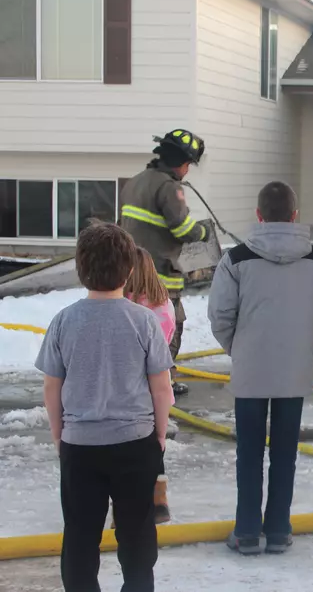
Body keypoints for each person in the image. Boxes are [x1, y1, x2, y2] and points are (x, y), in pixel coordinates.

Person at [207, 181, 313, 555]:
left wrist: (238, 346)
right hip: (294, 370)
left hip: (251, 370)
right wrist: (304, 325)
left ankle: (246, 532)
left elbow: (220, 313)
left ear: (258, 216)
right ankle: (278, 531)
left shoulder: (237, 258)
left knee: (250, 453)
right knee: (285, 452)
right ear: (295, 216)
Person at [36, 222, 174, 592]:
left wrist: (59, 435)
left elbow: (52, 387)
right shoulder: (144, 321)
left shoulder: (64, 321)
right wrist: (159, 434)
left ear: (80, 269)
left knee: (80, 538)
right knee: (138, 538)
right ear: (129, 270)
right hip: (135, 444)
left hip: (80, 446)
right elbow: (161, 387)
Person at [120, 129, 211, 399]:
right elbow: (183, 229)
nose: (187, 171)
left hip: (129, 276)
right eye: (187, 165)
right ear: (179, 162)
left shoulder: (134, 183)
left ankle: (133, 381)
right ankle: (162, 384)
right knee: (171, 328)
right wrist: (203, 233)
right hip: (160, 277)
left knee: (133, 332)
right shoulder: (169, 188)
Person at [123, 247, 177, 525]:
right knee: (155, 446)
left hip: (131, 388)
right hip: (159, 385)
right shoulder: (164, 304)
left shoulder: (125, 306)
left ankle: (124, 507)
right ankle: (159, 501)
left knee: (125, 449)